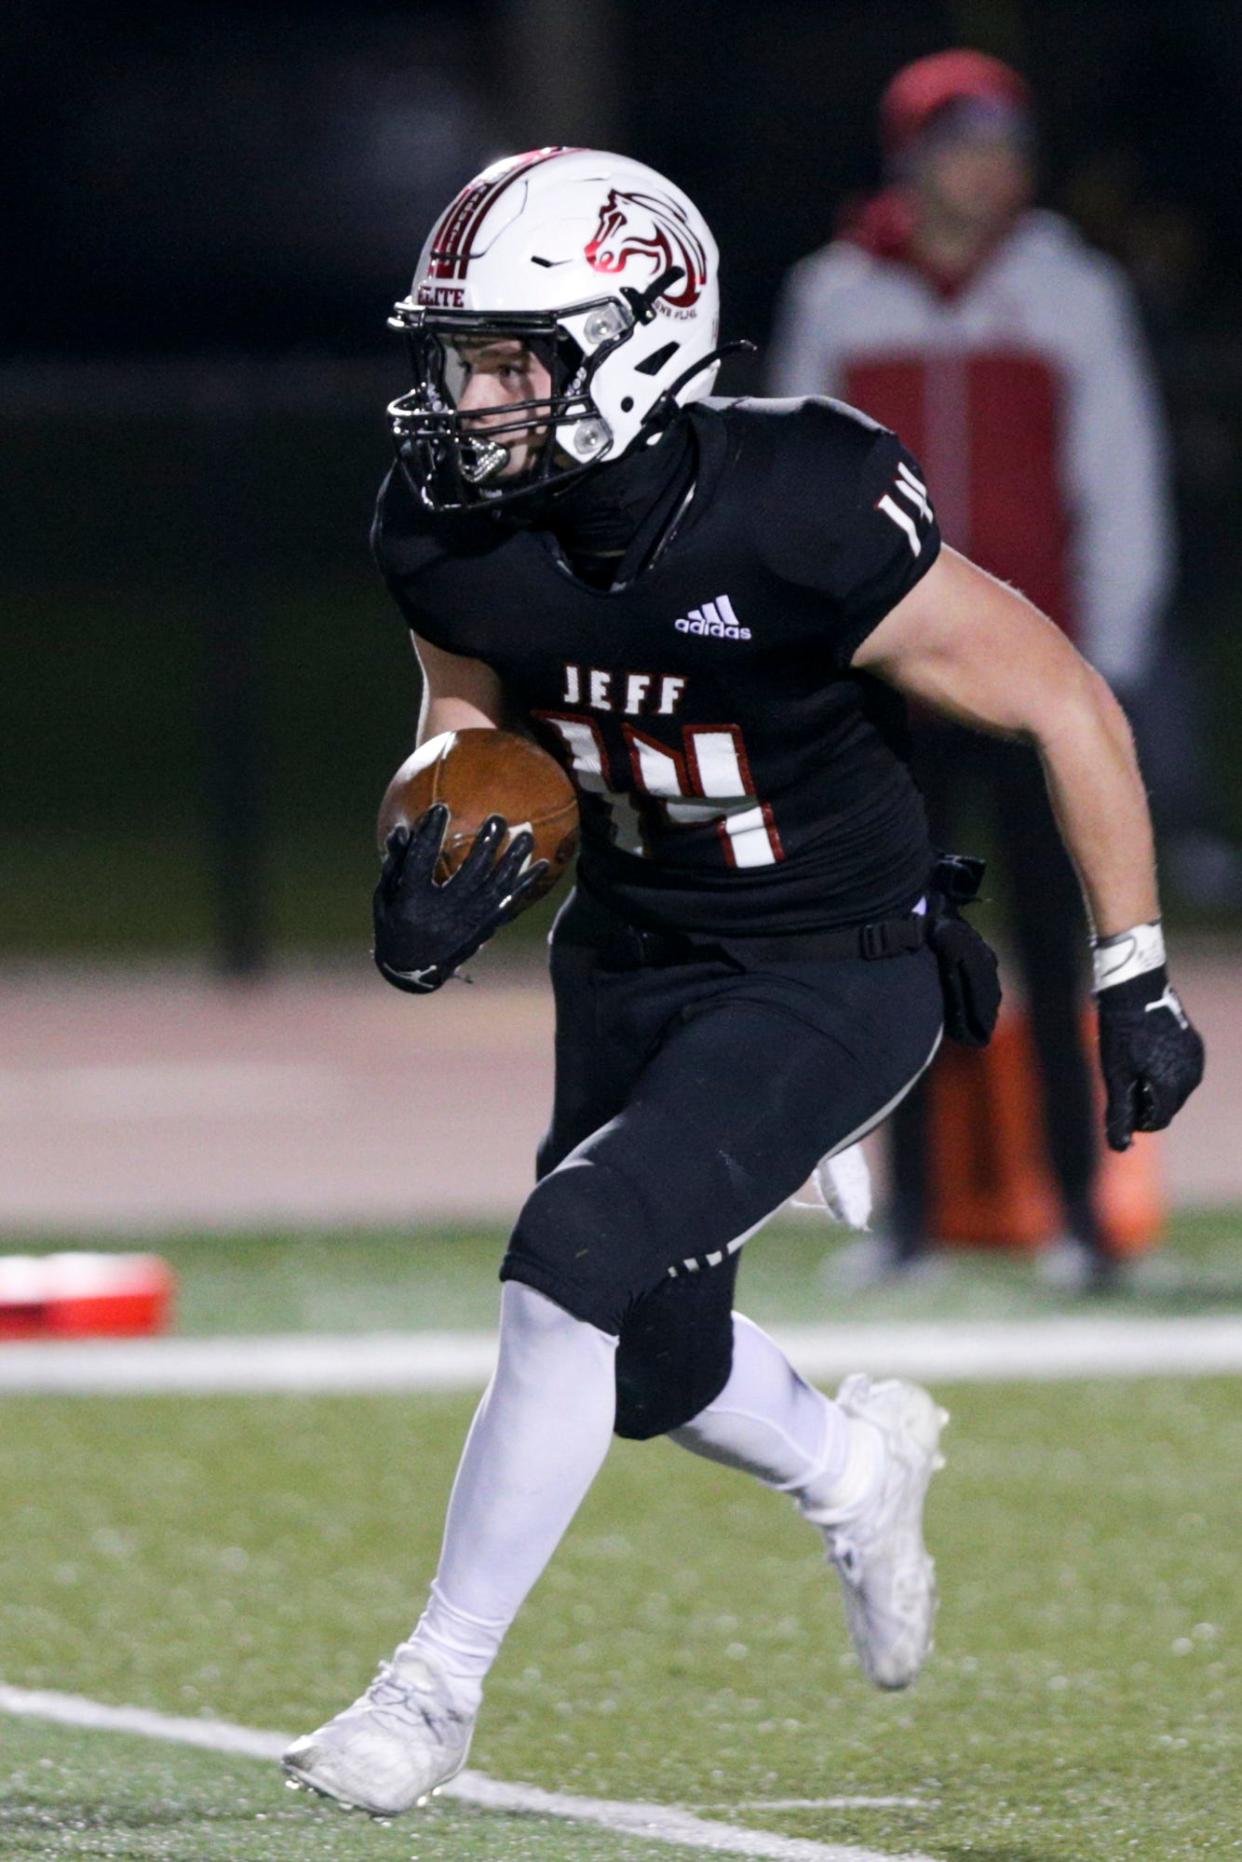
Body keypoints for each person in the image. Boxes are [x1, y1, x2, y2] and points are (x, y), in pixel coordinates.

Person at [281, 146, 1203, 1817]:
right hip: (632, 945)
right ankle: (855, 1465)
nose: (465, 397)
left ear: (636, 341)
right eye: (459, 356)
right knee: (646, 1357)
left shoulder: (801, 502)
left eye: (507, 357)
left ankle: (430, 1691)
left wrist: (1130, 974)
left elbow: (1064, 699)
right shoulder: (447, 524)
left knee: (569, 1249)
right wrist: (430, 831)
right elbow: (463, 718)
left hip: (838, 958)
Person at [767, 50, 1178, 1286]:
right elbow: (795, 493)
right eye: (961, 142)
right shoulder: (838, 296)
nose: (986, 169)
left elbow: (1122, 481)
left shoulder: (1070, 290)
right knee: (898, 951)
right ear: (912, 158)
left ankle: (1084, 1218)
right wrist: (816, 656)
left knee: (1069, 951)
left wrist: (1097, 670)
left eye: (1004, 143)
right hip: (889, 683)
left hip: (1034, 681)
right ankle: (909, 1226)